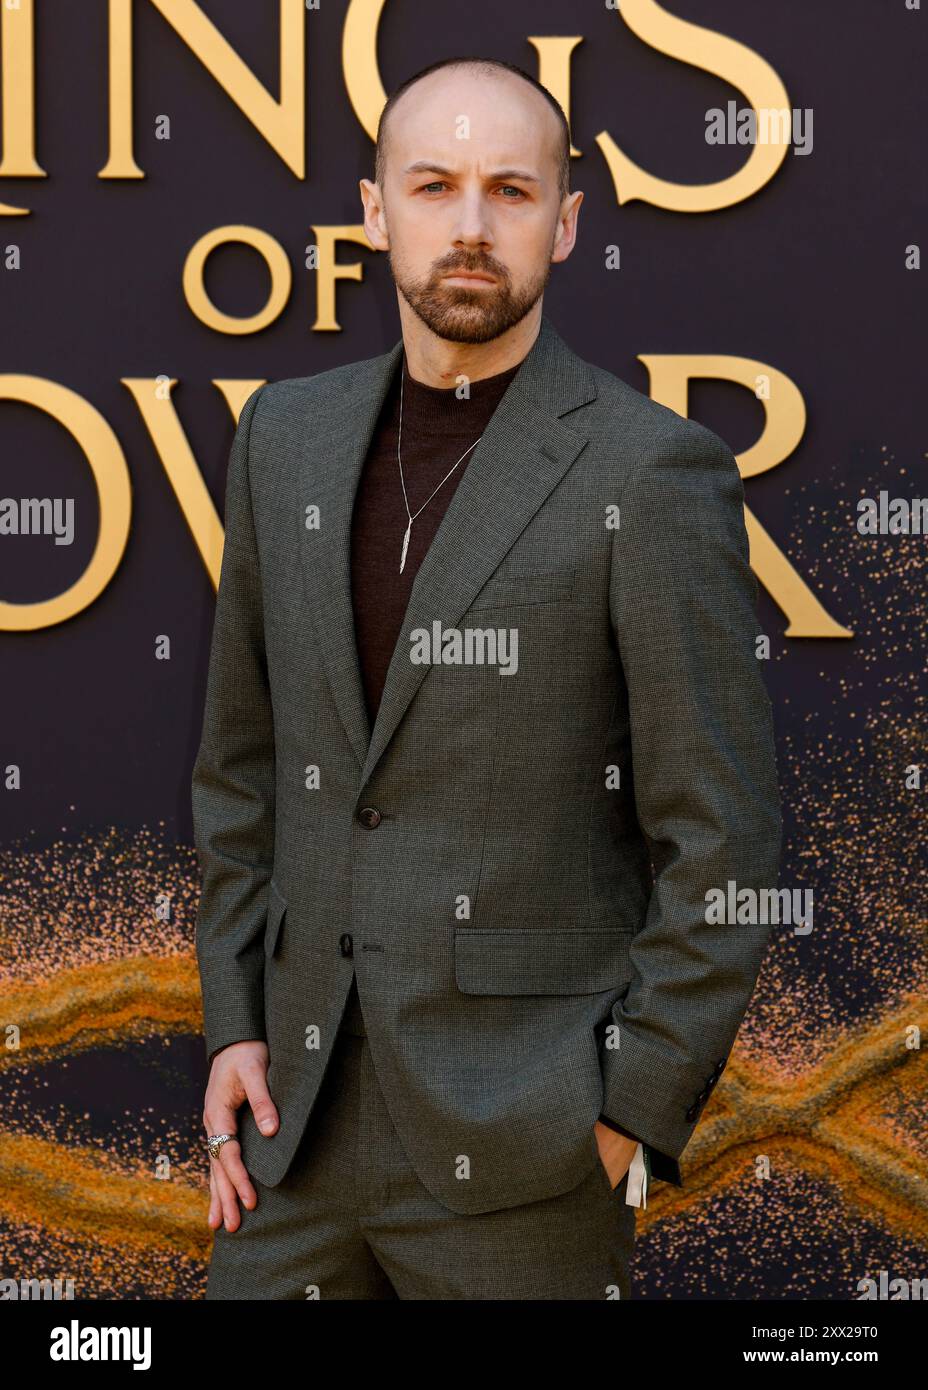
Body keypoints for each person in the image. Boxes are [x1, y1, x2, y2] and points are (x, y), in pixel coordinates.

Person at [192, 55, 781, 1300]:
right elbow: (241, 767)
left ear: (565, 223)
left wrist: (628, 1110)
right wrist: (236, 1020)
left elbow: (722, 838)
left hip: (528, 1148)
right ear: (372, 211)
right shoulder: (280, 440)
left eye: (511, 190)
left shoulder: (651, 471)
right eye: (435, 185)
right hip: (288, 1135)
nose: (469, 226)